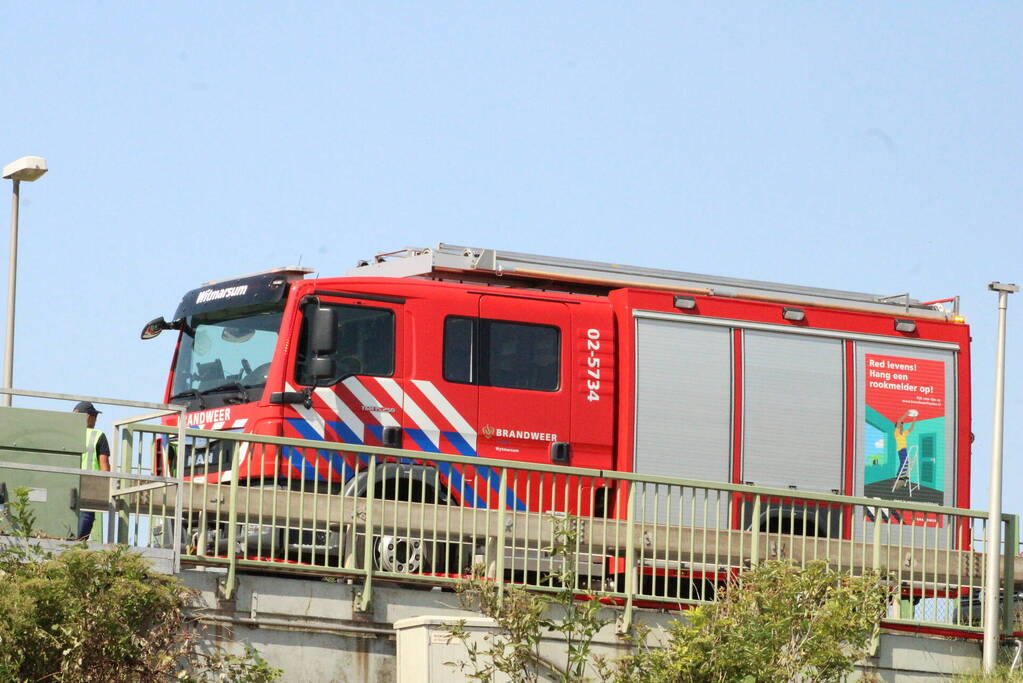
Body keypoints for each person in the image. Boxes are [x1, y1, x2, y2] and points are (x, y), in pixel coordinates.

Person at [73, 401, 110, 540]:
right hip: (90, 484)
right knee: (87, 514)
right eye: (95, 415)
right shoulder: (98, 435)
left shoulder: (66, 433)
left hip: (67, 482)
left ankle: (66, 540)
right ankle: (78, 542)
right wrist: (107, 488)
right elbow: (104, 464)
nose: (96, 419)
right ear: (88, 416)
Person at [893, 411, 916, 479]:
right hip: (901, 450)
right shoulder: (896, 433)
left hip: (904, 449)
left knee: (906, 463)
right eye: (900, 425)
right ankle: (899, 475)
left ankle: (902, 475)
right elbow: (899, 421)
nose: (902, 427)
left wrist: (914, 420)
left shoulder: (903, 434)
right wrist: (906, 414)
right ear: (898, 427)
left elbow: (911, 429)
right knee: (904, 462)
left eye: (902, 426)